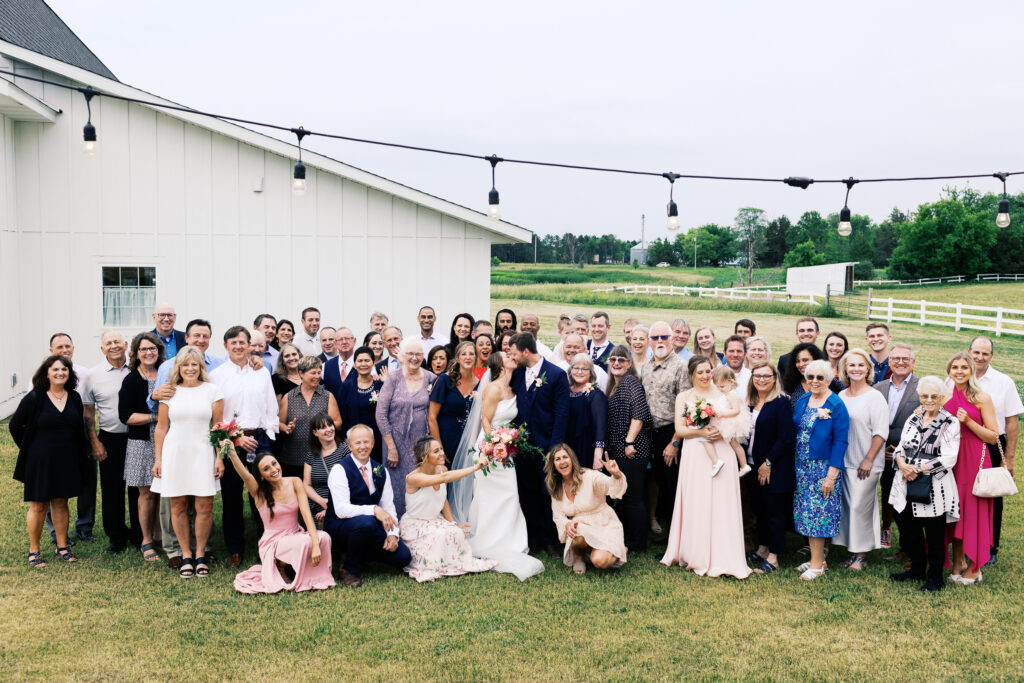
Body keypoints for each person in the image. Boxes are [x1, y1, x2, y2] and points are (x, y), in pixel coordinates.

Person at [448, 351, 545, 581]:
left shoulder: (512, 388)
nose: (512, 355)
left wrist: (508, 443)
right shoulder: (492, 388)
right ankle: (487, 541)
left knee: (510, 494)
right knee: (488, 496)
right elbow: (485, 421)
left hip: (506, 448)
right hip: (490, 449)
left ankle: (511, 541)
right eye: (507, 355)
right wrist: (495, 447)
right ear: (499, 364)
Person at [661, 355, 751, 579]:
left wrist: (725, 430)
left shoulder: (723, 392)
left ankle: (725, 555)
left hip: (723, 451)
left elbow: (739, 420)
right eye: (699, 372)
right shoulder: (685, 397)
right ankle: (695, 553)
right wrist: (701, 432)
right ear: (691, 374)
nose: (704, 376)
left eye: (707, 371)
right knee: (697, 500)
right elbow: (680, 430)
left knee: (721, 501)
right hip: (696, 452)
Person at [148, 320, 226, 568]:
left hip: (203, 453)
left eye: (195, 364)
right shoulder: (169, 391)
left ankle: (201, 553)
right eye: (185, 365)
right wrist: (158, 460)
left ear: (200, 366)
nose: (190, 368)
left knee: (205, 506)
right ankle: (186, 555)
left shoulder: (213, 391)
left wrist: (220, 457)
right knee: (178, 506)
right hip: (175, 453)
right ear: (178, 367)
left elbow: (218, 429)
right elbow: (161, 428)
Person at [210, 326, 280, 567]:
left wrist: (268, 439)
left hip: (259, 440)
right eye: (233, 342)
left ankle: (266, 544)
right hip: (232, 442)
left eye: (242, 342)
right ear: (226, 345)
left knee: (262, 495)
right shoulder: (217, 375)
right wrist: (236, 438)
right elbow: (216, 417)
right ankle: (235, 548)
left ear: (250, 344)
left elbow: (271, 407)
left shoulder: (262, 372)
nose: (238, 346)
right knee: (232, 498)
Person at [11, 356, 89, 567]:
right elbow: (15, 426)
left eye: (64, 369)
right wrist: (32, 450)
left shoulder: (73, 397)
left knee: (61, 502)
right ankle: (34, 550)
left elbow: (78, 430)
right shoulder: (35, 397)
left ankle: (62, 546)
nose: (60, 373)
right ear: (46, 373)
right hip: (40, 461)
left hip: (67, 459)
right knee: (39, 504)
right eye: (55, 369)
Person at [888, 376, 961, 592]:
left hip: (932, 485)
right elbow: (901, 446)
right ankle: (916, 569)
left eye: (934, 396)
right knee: (909, 529)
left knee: (934, 534)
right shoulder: (914, 419)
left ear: (942, 398)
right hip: (904, 480)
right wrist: (901, 463)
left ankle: (935, 578)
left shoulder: (950, 422)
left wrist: (916, 470)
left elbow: (949, 458)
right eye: (924, 396)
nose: (928, 400)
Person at [229, 450, 336, 594]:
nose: (273, 469)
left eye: (274, 464)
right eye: (266, 469)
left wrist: (316, 544)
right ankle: (280, 566)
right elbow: (245, 475)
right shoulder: (259, 492)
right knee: (305, 543)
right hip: (274, 541)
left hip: (295, 534)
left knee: (324, 537)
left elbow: (305, 513)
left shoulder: (294, 481)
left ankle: (316, 577)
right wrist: (231, 452)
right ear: (261, 476)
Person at [324, 424, 412, 587]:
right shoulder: (339, 470)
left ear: (373, 443)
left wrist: (393, 534)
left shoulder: (381, 470)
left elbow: (389, 506)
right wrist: (373, 509)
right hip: (339, 526)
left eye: (366, 442)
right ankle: (349, 569)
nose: (362, 446)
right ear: (349, 446)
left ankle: (360, 553)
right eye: (357, 443)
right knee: (367, 522)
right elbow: (341, 510)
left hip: (368, 527)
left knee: (403, 557)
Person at [400, 436, 497, 582]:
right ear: (423, 456)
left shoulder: (441, 469)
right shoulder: (413, 478)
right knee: (440, 535)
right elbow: (445, 478)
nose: (441, 453)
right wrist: (476, 467)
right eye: (436, 451)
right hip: (416, 524)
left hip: (435, 520)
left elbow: (442, 499)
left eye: (441, 449)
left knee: (455, 532)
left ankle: (451, 560)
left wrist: (453, 522)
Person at [507, 332, 570, 554]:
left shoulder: (556, 375)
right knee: (527, 492)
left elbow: (562, 414)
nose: (512, 358)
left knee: (548, 494)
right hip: (523, 447)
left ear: (526, 351)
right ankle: (532, 539)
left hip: (547, 446)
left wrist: (554, 451)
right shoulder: (517, 375)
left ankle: (551, 540)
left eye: (514, 354)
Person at [80, 330, 140, 554]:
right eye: (109, 343)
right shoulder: (92, 375)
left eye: (117, 341)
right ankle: (116, 536)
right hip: (110, 438)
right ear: (102, 348)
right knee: (112, 490)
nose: (114, 345)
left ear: (126, 344)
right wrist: (94, 442)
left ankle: (139, 534)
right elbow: (88, 411)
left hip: (137, 436)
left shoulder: (138, 369)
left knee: (137, 488)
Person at [791, 359, 849, 580]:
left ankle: (817, 564)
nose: (814, 381)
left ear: (830, 378)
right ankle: (817, 559)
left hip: (822, 468)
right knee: (806, 513)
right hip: (802, 467)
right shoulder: (804, 400)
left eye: (820, 377)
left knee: (819, 515)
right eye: (810, 377)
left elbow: (841, 442)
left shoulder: (835, 404)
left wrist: (831, 475)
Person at [966, 336, 1022, 565]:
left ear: (992, 356)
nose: (979, 357)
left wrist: (1008, 459)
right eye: (976, 352)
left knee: (991, 496)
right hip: (962, 444)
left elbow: (1012, 422)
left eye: (985, 354)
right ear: (969, 352)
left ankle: (990, 547)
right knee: (963, 495)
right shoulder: (957, 376)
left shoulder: (1003, 382)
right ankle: (963, 542)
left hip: (991, 444)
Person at [944, 352, 999, 583]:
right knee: (954, 511)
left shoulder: (982, 398)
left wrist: (969, 422)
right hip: (951, 459)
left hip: (974, 458)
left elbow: (993, 436)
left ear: (971, 371)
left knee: (973, 511)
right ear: (949, 370)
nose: (959, 371)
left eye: (964, 367)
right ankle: (958, 562)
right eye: (955, 367)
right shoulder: (945, 395)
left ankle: (976, 567)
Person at [833, 348, 890, 571]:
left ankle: (862, 555)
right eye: (852, 365)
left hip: (867, 461)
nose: (856, 369)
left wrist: (868, 459)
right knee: (848, 507)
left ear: (868, 368)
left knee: (860, 507)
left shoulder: (875, 396)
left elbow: (880, 432)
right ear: (845, 369)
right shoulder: (841, 396)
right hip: (845, 460)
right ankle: (852, 552)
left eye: (860, 365)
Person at [118, 332, 166, 562]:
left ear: (159, 351)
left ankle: (160, 535)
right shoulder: (131, 380)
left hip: (167, 440)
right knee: (146, 493)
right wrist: (156, 417)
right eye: (144, 349)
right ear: (136, 353)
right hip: (141, 442)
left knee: (163, 491)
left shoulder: (166, 375)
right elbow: (126, 416)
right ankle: (146, 540)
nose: (149, 352)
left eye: (153, 348)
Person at [376, 338, 435, 519]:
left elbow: (435, 414)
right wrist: (391, 447)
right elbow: (380, 413)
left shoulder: (431, 379)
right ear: (402, 355)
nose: (414, 358)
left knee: (420, 487)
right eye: (410, 353)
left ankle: (418, 528)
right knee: (396, 489)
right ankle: (396, 531)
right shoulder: (394, 378)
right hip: (395, 444)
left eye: (418, 354)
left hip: (420, 445)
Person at [745, 362, 794, 574]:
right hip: (752, 465)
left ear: (774, 378)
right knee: (760, 510)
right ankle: (763, 549)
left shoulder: (781, 402)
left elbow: (785, 437)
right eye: (758, 376)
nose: (762, 379)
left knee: (774, 512)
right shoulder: (751, 402)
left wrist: (768, 463)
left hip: (773, 467)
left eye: (766, 376)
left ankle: (774, 557)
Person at [547, 444, 627, 574]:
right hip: (581, 529)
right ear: (554, 465)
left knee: (599, 561)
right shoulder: (556, 487)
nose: (562, 462)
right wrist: (567, 524)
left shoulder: (590, 476)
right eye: (557, 459)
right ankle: (580, 557)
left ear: (572, 459)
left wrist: (616, 475)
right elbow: (558, 515)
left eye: (565, 457)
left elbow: (610, 486)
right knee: (577, 529)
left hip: (604, 524)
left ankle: (619, 550)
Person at [641, 321, 690, 535]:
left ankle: (678, 536)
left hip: (671, 432)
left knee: (672, 486)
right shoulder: (646, 365)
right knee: (658, 483)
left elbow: (688, 407)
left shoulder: (681, 366)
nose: (659, 341)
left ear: (671, 339)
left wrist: (675, 442)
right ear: (650, 341)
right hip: (649, 432)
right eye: (655, 338)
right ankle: (668, 533)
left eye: (664, 337)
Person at [44, 333, 93, 544]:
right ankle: (56, 532)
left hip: (81, 433)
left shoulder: (85, 374)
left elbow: (91, 408)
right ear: (51, 350)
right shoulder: (42, 375)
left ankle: (84, 527)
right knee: (53, 486)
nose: (65, 350)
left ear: (73, 348)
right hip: (52, 438)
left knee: (87, 482)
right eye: (59, 346)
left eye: (68, 346)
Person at [604, 345, 653, 553]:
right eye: (613, 359)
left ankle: (638, 543)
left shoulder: (631, 382)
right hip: (621, 449)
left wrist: (629, 442)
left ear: (629, 364)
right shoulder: (613, 386)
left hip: (633, 449)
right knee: (625, 495)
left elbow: (639, 413)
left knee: (633, 496)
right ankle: (628, 538)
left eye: (621, 360)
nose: (616, 363)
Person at [873, 343, 919, 555]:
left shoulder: (921, 388)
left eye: (905, 359)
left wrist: (902, 451)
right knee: (887, 501)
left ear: (913, 362)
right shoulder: (878, 388)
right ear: (889, 362)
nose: (900, 362)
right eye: (896, 359)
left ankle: (911, 550)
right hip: (879, 455)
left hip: (909, 458)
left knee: (908, 505)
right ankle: (896, 542)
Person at [279, 356, 342, 479]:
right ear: (301, 373)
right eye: (313, 373)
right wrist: (286, 428)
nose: (317, 376)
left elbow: (338, 422)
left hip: (320, 456)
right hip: (293, 457)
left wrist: (325, 428)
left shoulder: (327, 396)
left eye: (319, 372)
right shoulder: (289, 397)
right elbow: (279, 422)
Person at [429, 341, 478, 466]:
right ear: (457, 358)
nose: (467, 357)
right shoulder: (444, 380)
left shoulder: (480, 385)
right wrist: (438, 447)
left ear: (476, 358)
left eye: (471, 354)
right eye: (464, 354)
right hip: (446, 440)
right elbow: (432, 417)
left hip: (468, 442)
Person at [337, 346, 384, 462]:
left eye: (367, 360)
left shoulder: (380, 385)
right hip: (354, 440)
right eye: (360, 361)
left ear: (373, 363)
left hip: (377, 439)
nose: (363, 364)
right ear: (354, 364)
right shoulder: (346, 386)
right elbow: (342, 414)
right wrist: (348, 440)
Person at [705, 366, 752, 478]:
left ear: (731, 382)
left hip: (731, 422)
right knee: (733, 444)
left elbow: (736, 410)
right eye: (717, 387)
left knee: (735, 445)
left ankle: (744, 465)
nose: (720, 389)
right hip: (726, 420)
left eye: (722, 386)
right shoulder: (726, 393)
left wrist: (723, 413)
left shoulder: (732, 394)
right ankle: (741, 465)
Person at [303, 415, 350, 524]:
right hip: (317, 508)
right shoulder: (311, 455)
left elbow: (351, 482)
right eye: (323, 427)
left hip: (340, 507)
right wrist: (321, 501)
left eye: (330, 425)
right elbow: (306, 485)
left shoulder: (344, 450)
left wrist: (331, 507)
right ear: (315, 433)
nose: (329, 429)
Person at [565, 354, 608, 470]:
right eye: (576, 368)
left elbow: (600, 428)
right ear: (570, 370)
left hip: (585, 448)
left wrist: (598, 458)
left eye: (584, 369)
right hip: (566, 448)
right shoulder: (564, 392)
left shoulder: (595, 395)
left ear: (591, 372)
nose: (579, 372)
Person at [781, 343, 826, 409]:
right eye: (797, 361)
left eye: (805, 360)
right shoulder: (790, 385)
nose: (801, 364)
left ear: (816, 360)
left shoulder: (831, 383)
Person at [322, 327, 356, 400]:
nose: (344, 342)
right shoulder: (325, 366)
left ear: (354, 341)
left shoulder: (364, 364)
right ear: (335, 344)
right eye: (340, 339)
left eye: (347, 338)